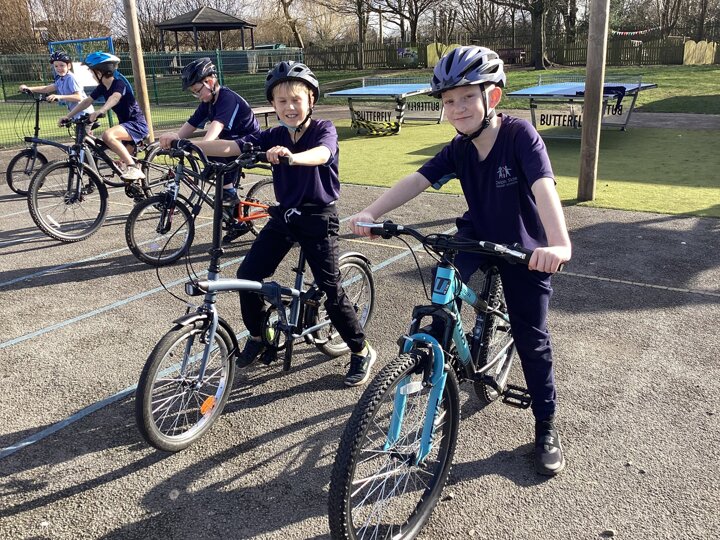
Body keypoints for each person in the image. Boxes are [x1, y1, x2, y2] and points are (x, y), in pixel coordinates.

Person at [349, 46, 572, 475]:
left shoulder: (520, 136)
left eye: (468, 96)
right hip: (476, 234)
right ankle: (435, 368)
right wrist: (371, 212)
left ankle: (546, 423)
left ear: (493, 97)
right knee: (441, 292)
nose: (457, 108)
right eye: (449, 100)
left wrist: (559, 245)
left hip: (525, 247)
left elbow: (544, 187)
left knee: (531, 336)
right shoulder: (458, 148)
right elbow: (417, 179)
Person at [189, 60, 376, 387]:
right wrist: (189, 144)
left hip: (318, 217)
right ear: (273, 105)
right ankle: (259, 336)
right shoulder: (273, 134)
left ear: (311, 100)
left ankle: (361, 349)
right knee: (248, 275)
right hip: (285, 216)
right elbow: (233, 146)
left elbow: (323, 154)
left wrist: (292, 157)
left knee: (331, 290)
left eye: (296, 99)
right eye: (282, 101)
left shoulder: (324, 129)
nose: (289, 107)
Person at [158, 57, 261, 223]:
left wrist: (199, 147)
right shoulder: (208, 101)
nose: (197, 95)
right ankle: (234, 217)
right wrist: (175, 138)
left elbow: (216, 128)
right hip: (230, 142)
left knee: (212, 153)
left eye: (197, 91)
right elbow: (192, 123)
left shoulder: (227, 98)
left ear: (210, 82)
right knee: (213, 161)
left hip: (250, 143)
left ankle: (230, 195)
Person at [61, 52, 149, 182]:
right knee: (123, 166)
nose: (91, 75)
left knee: (108, 135)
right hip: (125, 125)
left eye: (92, 72)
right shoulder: (102, 87)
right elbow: (87, 101)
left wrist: (101, 111)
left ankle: (133, 167)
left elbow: (115, 97)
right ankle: (136, 178)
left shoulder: (119, 84)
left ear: (100, 72)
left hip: (136, 124)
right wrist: (68, 116)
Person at [19, 51, 94, 119]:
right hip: (76, 115)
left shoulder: (71, 78)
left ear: (69, 66)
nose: (59, 68)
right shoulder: (61, 79)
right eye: (56, 66)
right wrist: (28, 88)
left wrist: (59, 96)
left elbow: (78, 97)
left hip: (84, 114)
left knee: (81, 131)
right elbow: (46, 89)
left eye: (62, 65)